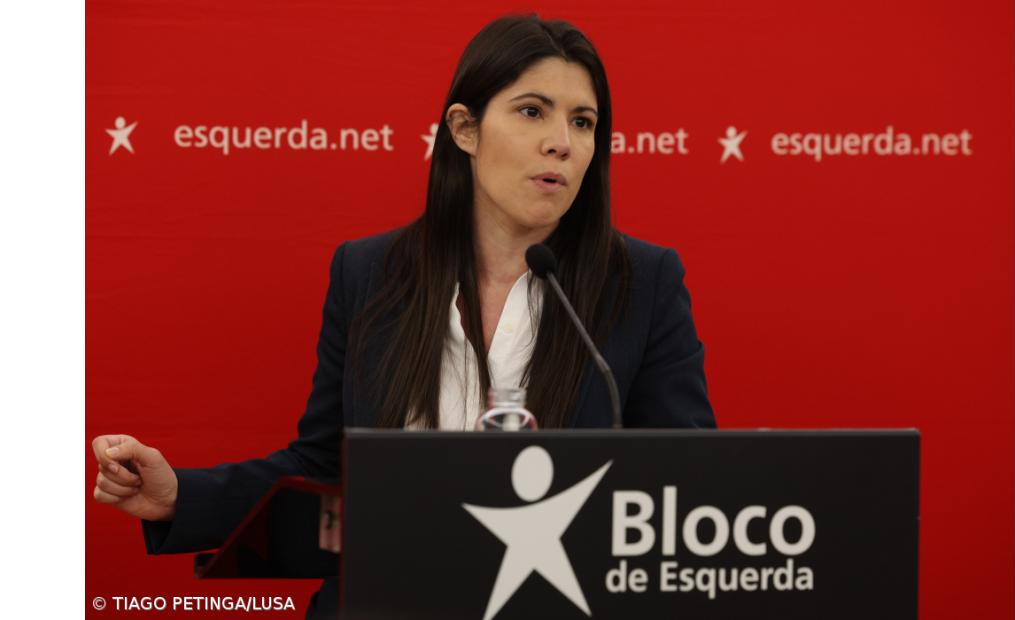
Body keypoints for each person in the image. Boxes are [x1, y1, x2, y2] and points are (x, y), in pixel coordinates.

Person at [90, 14, 715, 619]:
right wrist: (180, 496)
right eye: (532, 111)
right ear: (465, 129)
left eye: (583, 121)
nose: (563, 142)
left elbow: (684, 488)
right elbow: (328, 467)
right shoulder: (369, 272)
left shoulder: (642, 282)